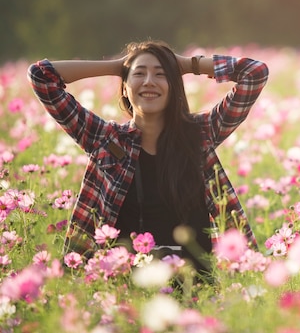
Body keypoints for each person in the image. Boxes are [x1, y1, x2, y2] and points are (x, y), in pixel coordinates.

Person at [28, 40, 269, 276]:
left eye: (160, 74)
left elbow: (255, 73)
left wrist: (186, 64)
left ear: (174, 85)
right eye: (139, 74)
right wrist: (119, 66)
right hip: (127, 289)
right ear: (124, 87)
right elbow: (41, 76)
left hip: (197, 289)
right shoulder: (106, 140)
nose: (149, 82)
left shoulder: (200, 134)